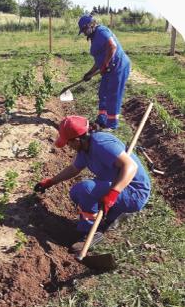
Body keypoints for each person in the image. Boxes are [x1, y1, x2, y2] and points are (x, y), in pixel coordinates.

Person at [35, 115, 151, 252]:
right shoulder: (85, 147)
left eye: (68, 142)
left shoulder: (102, 144)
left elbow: (131, 167)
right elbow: (74, 169)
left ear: (77, 140)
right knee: (76, 192)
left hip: (134, 191)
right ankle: (114, 214)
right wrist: (51, 182)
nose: (68, 146)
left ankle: (91, 232)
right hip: (115, 183)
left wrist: (113, 194)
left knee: (85, 189)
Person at [78, 14, 131, 130]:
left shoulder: (101, 31)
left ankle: (112, 125)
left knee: (113, 95)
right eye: (82, 31)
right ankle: (102, 119)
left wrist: (105, 65)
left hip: (118, 67)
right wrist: (90, 73)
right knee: (103, 93)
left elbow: (112, 46)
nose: (84, 33)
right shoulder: (94, 37)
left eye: (84, 30)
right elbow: (99, 59)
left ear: (91, 25)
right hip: (108, 68)